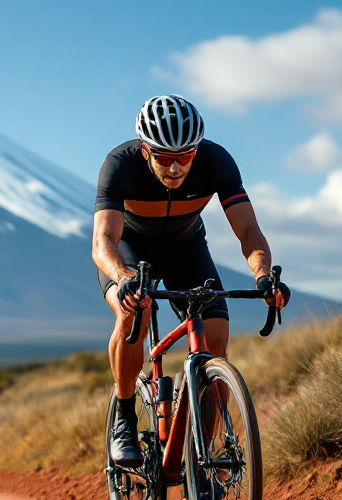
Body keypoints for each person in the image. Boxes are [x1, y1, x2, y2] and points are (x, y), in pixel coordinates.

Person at [92, 95, 289, 467]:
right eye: (165, 157)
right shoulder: (119, 165)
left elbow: (248, 229)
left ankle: (206, 457)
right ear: (145, 150)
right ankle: (124, 416)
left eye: (185, 156)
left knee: (215, 338)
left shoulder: (215, 161)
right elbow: (103, 241)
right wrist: (122, 277)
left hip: (186, 249)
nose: (175, 167)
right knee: (136, 310)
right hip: (131, 253)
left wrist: (264, 276)